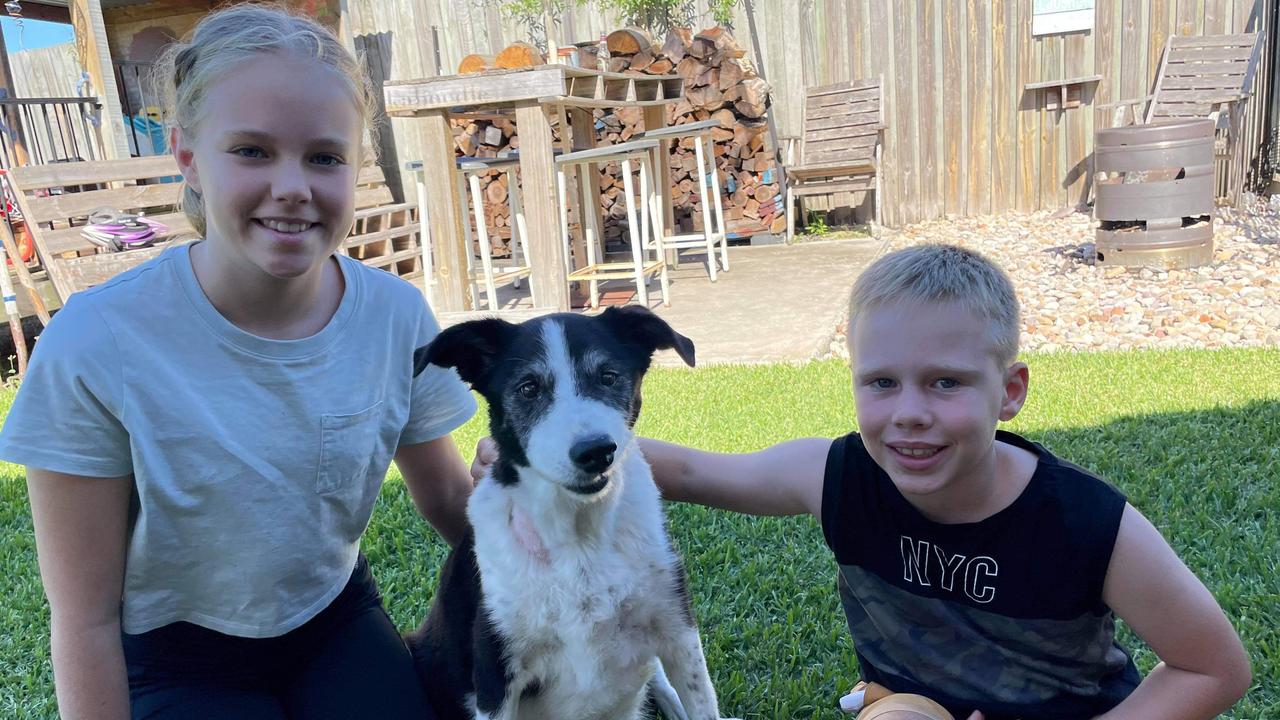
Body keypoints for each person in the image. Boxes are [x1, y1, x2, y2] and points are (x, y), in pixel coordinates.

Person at [471, 244, 1253, 720]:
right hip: (911, 709)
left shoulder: (1089, 524)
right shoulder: (838, 475)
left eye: (945, 383)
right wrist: (530, 458)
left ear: (1009, 391)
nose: (908, 414)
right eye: (882, 383)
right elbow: (689, 468)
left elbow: (1217, 666)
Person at [0, 6, 476, 719]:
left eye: (324, 156)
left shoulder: (394, 318)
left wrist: (546, 536)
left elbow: (447, 499)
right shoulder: (97, 344)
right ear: (187, 153)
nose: (293, 186)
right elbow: (85, 616)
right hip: (175, 656)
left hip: (334, 619)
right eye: (251, 150)